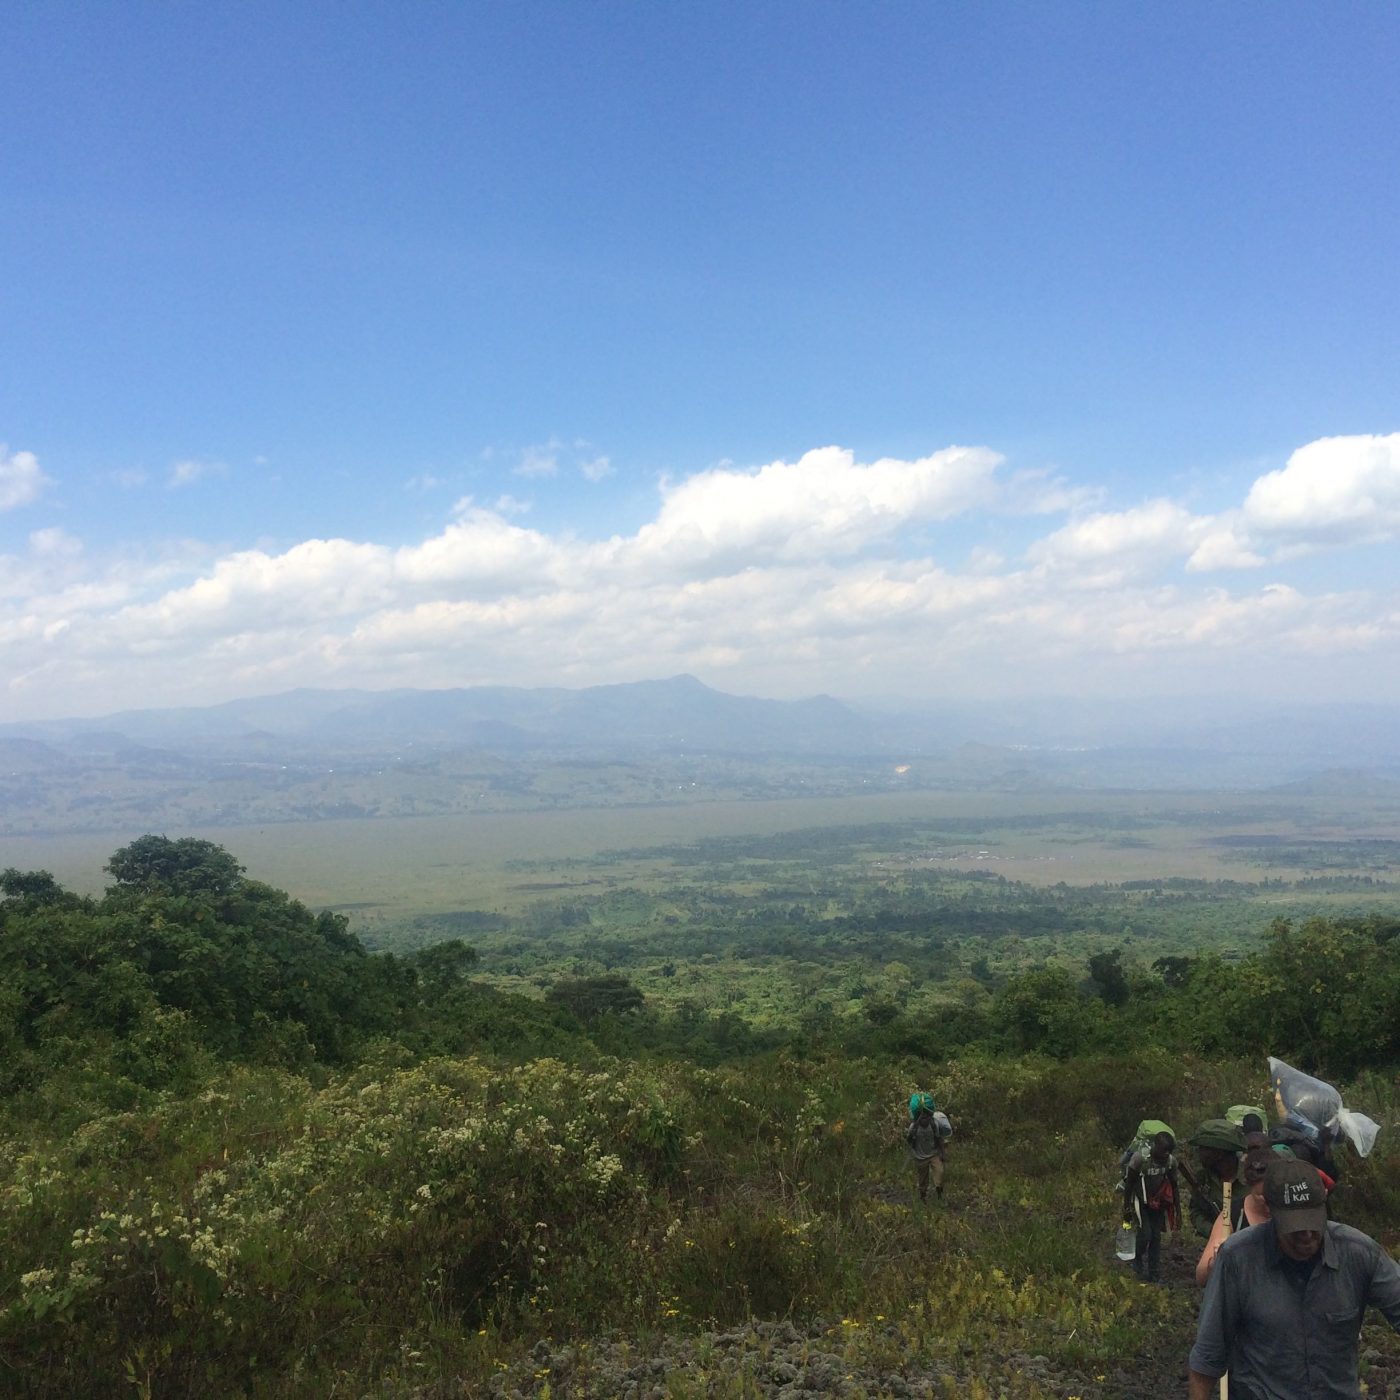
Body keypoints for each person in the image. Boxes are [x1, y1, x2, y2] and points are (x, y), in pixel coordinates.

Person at [1188, 1158, 1400, 1399]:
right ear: (1270, 1212)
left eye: (1314, 1223)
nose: (1308, 1235)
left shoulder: (1359, 1253)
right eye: (1296, 1228)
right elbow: (1207, 1357)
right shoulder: (1239, 1260)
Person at [1195, 1143, 1277, 1286]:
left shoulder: (1291, 1210)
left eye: (1274, 1194)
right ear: (1250, 1187)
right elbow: (1201, 1277)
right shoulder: (1231, 1214)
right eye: (1261, 1196)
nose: (1268, 1201)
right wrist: (1214, 1264)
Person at [1123, 1130, 1180, 1283]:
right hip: (1140, 1201)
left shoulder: (1170, 1162)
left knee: (1156, 1238)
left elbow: (1174, 1186)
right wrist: (1126, 1207)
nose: (1165, 1156)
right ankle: (1137, 1258)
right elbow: (1129, 1184)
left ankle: (1154, 1273)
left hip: (1158, 1204)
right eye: (1163, 1152)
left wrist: (1177, 1212)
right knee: (1145, 1234)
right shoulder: (1140, 1158)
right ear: (1155, 1146)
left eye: (1168, 1153)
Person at [1186, 1119, 1247, 1239]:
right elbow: (1196, 1211)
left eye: (1203, 1149)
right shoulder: (1203, 1179)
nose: (1199, 1153)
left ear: (1219, 1153)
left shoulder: (1251, 1178)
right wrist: (1214, 1232)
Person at [905, 1090, 948, 1202]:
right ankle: (923, 1197)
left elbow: (939, 1139)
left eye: (927, 1117)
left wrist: (942, 1153)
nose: (925, 1120)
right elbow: (908, 1140)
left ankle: (939, 1194)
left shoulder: (934, 1124)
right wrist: (913, 1131)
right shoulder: (913, 1127)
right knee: (923, 1179)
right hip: (920, 1157)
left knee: (940, 1172)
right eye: (922, 1117)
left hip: (933, 1154)